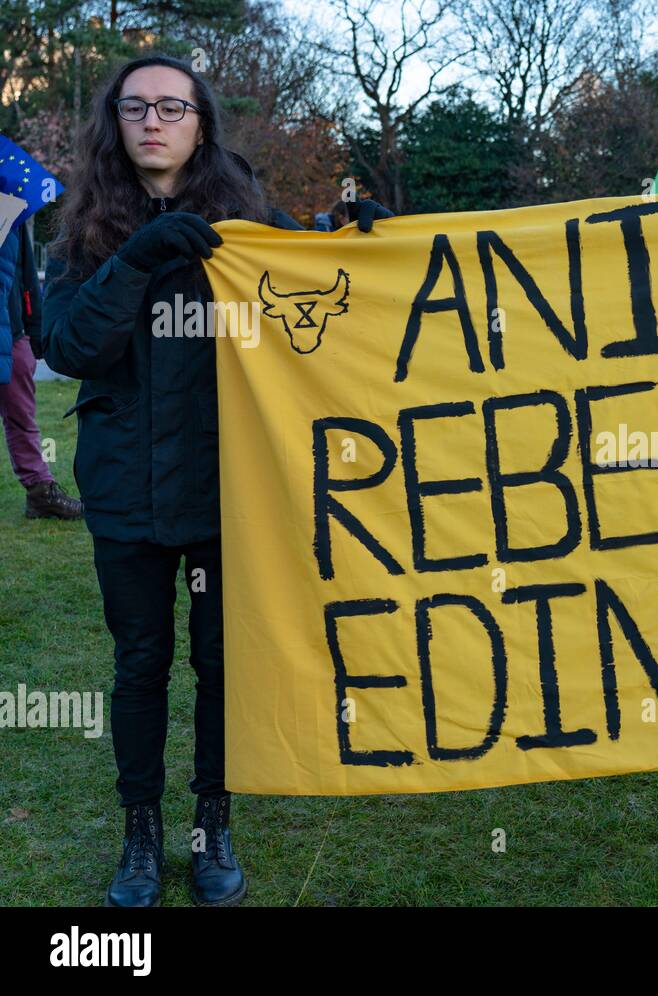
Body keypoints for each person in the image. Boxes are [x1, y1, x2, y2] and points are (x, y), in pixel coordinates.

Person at [37, 53, 391, 908]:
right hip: (125, 490)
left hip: (232, 490)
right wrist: (136, 262)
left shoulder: (248, 220)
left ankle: (212, 827)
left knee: (225, 666)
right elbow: (72, 348)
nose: (152, 121)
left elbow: (317, 298)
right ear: (113, 125)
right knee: (140, 665)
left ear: (202, 124)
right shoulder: (77, 233)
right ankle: (139, 840)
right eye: (134, 107)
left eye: (172, 107)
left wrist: (363, 240)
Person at [0, 222, 83, 519]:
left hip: (12, 331)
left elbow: (26, 276)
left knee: (22, 416)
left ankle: (40, 492)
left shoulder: (9, 208)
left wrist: (34, 331)